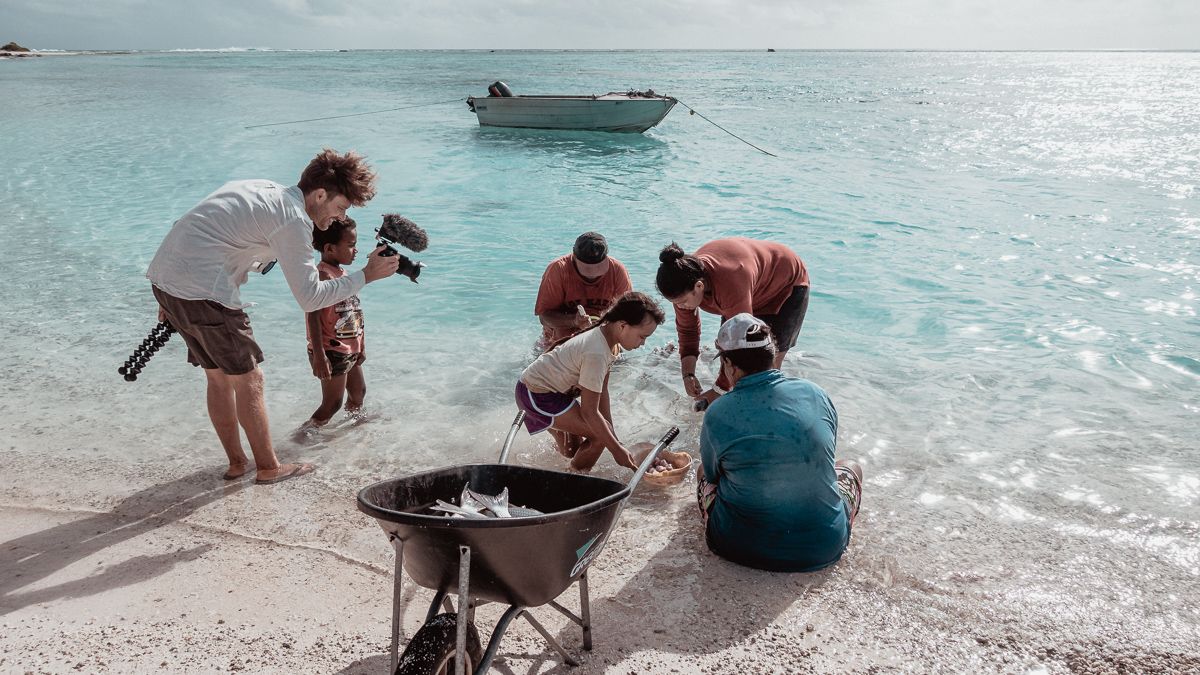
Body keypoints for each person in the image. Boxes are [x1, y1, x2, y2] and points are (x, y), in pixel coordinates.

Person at [146, 149, 400, 484]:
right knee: (250, 380)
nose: (338, 218)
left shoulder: (261, 188)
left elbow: (193, 225)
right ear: (320, 194)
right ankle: (268, 468)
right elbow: (310, 299)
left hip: (168, 282)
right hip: (201, 293)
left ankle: (238, 464)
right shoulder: (292, 219)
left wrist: (170, 291)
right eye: (339, 207)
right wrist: (366, 275)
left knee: (218, 378)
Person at [696, 314, 862, 572]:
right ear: (772, 355)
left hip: (737, 546)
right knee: (851, 465)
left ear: (729, 365)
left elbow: (712, 475)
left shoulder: (718, 413)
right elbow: (824, 460)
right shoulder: (816, 394)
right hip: (822, 548)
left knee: (701, 474)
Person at [515, 291, 664, 471]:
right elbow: (590, 412)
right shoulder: (597, 352)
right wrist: (616, 450)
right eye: (642, 337)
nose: (642, 344)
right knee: (599, 437)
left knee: (573, 450)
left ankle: (554, 467)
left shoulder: (610, 341)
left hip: (554, 392)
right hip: (535, 393)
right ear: (623, 325)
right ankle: (574, 479)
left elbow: (603, 394)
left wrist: (614, 438)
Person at [655, 238, 809, 407]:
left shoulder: (729, 283)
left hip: (785, 284)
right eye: (675, 303)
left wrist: (718, 390)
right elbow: (688, 331)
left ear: (699, 286)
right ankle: (742, 404)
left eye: (682, 302)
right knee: (730, 355)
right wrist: (688, 374)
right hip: (747, 290)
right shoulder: (682, 285)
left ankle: (764, 409)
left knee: (767, 363)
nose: (680, 307)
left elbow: (741, 348)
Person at [302, 216, 367, 429]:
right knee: (332, 404)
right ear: (330, 248)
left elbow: (353, 312)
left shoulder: (344, 275)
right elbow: (312, 314)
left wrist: (361, 346)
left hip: (350, 347)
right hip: (331, 350)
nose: (355, 250)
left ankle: (353, 429)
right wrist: (319, 355)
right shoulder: (323, 276)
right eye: (350, 245)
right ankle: (301, 438)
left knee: (359, 393)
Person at [534, 232, 633, 347]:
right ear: (574, 257)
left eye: (598, 269)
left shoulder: (617, 271)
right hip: (559, 342)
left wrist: (603, 322)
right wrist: (574, 321)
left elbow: (628, 313)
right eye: (587, 270)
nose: (593, 276)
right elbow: (544, 317)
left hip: (603, 338)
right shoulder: (558, 270)